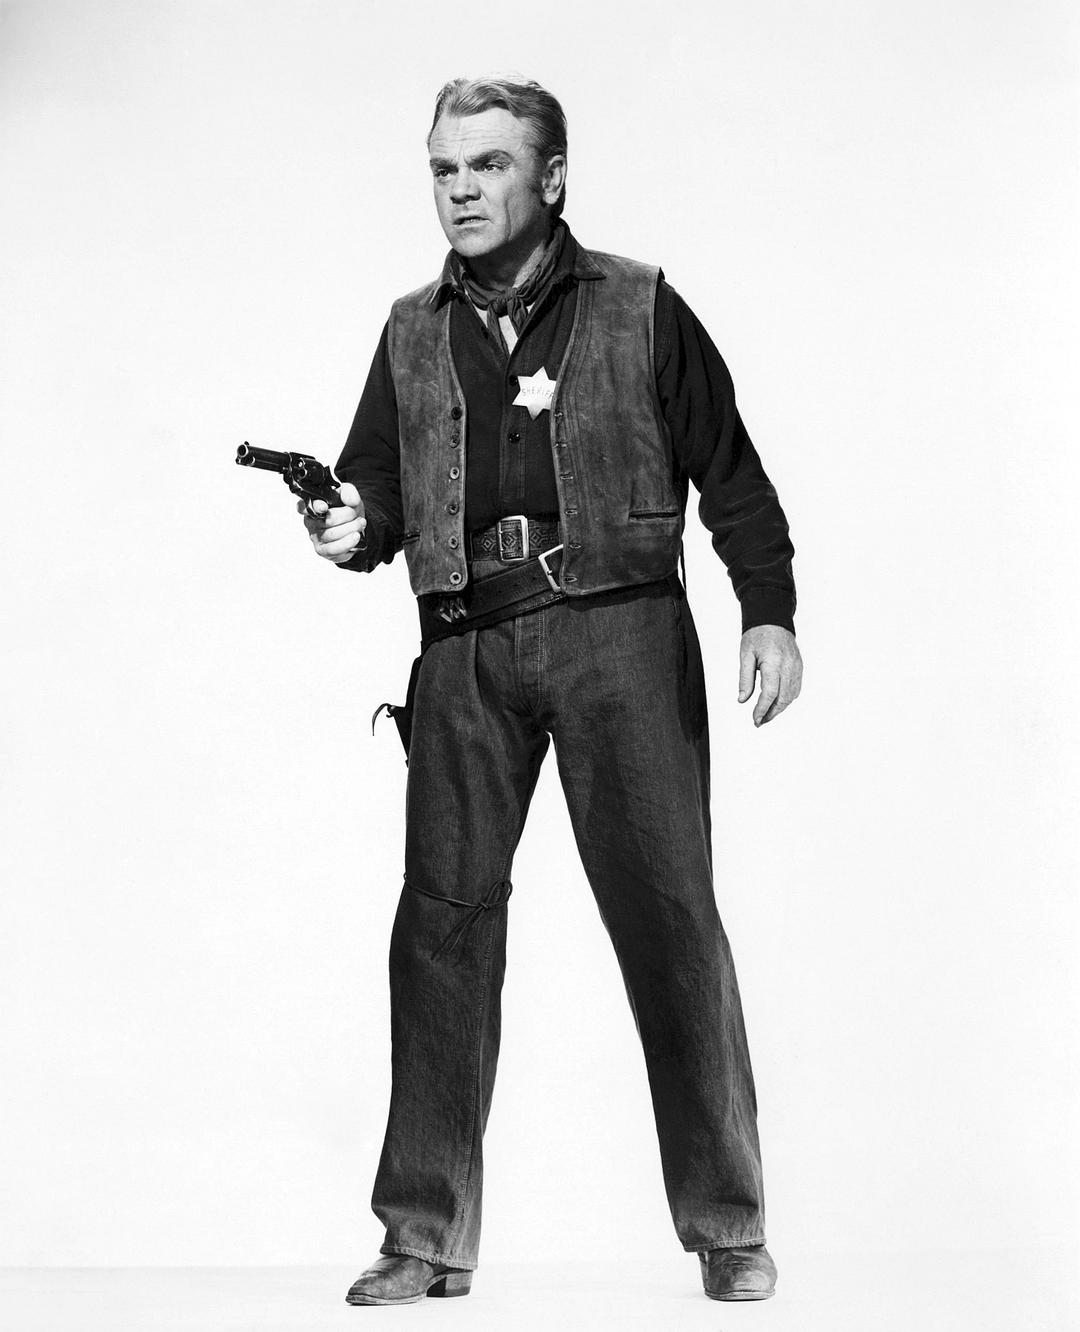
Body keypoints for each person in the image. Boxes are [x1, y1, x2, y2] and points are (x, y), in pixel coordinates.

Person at [301, 76, 802, 1306]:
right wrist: (350, 526)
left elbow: (731, 470)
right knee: (441, 931)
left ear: (552, 176)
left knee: (671, 920)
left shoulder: (640, 304)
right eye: (444, 169)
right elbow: (379, 491)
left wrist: (769, 607)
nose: (461, 190)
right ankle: (424, 1234)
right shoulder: (410, 331)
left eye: (488, 165)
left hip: (621, 636)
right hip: (464, 650)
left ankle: (729, 1222)